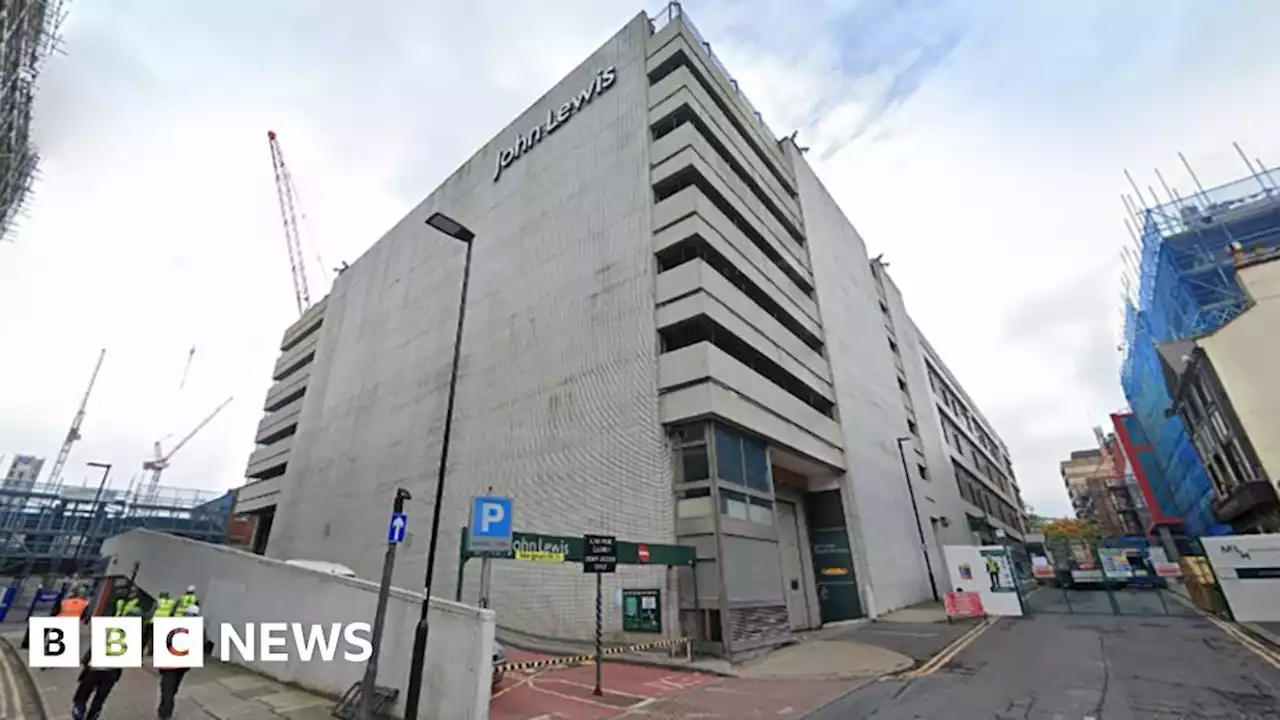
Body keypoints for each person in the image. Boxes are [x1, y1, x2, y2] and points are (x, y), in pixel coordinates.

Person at [71, 606, 140, 720]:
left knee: (83, 695)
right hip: (111, 671)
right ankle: (91, 715)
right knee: (99, 698)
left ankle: (80, 712)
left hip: (95, 668)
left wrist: (86, 660)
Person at [156, 603, 202, 720]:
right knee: (172, 688)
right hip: (181, 665)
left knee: (167, 689)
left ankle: (165, 712)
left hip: (170, 664)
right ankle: (165, 710)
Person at [145, 592, 177, 657]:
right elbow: (173, 612)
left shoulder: (158, 601)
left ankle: (150, 651)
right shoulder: (171, 602)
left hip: (154, 621)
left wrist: (147, 619)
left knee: (151, 637)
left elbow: (152, 611)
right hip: (164, 622)